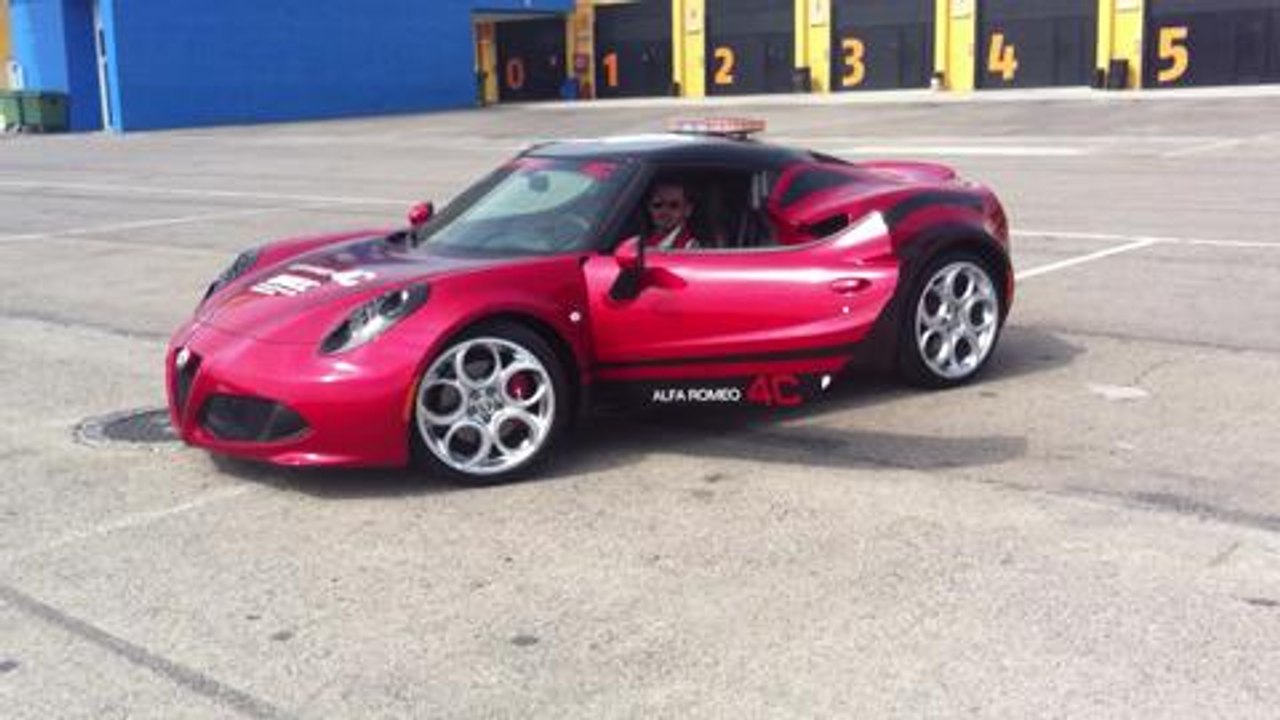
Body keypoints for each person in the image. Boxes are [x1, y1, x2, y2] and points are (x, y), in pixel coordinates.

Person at [644, 181, 699, 250]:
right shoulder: (639, 240)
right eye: (658, 205)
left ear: (688, 210)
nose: (664, 212)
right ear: (648, 207)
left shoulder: (690, 248)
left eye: (673, 206)